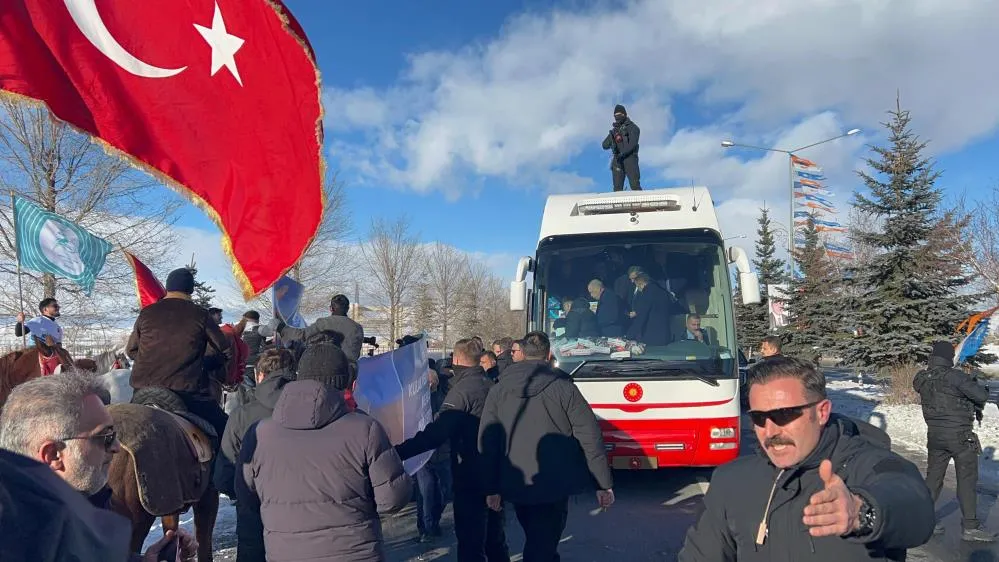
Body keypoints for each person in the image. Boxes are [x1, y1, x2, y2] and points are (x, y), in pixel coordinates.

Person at [678, 356, 935, 561]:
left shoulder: (867, 463)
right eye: (759, 418)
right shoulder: (732, 480)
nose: (770, 432)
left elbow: (915, 508)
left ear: (822, 412)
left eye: (784, 415)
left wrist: (862, 512)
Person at [0, 372, 199, 561]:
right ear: (53, 455)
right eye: (105, 437)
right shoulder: (13, 545)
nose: (117, 447)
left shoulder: (75, 504)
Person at [239, 374, 411, 561]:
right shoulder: (364, 429)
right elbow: (392, 498)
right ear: (348, 385)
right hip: (354, 552)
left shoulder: (259, 434)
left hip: (286, 553)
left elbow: (245, 495)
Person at [479, 332, 614, 562]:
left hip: (515, 479)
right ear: (550, 354)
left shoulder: (499, 389)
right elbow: (589, 436)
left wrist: (491, 487)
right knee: (542, 543)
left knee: (537, 539)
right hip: (554, 482)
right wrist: (602, 483)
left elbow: (488, 441)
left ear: (520, 354)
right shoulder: (564, 388)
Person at [396, 339, 509, 562]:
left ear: (456, 359)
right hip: (496, 472)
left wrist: (397, 452)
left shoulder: (462, 391)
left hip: (470, 473)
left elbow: (436, 433)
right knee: (495, 539)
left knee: (470, 541)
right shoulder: (492, 386)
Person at [126, 267, 233, 441]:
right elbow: (224, 348)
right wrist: (209, 363)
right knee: (227, 432)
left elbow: (131, 351)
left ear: (168, 287)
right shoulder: (200, 314)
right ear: (190, 290)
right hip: (187, 394)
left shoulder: (147, 313)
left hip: (142, 391)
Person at [215, 348, 295, 562]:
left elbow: (223, 475)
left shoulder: (241, 415)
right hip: (303, 521)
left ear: (260, 376)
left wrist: (243, 495)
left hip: (254, 517)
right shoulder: (312, 410)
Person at [913, 341, 995, 541]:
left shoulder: (921, 378)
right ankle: (970, 527)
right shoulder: (956, 377)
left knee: (933, 478)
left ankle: (923, 520)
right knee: (966, 480)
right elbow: (981, 396)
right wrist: (974, 381)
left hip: (935, 436)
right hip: (960, 437)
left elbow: (937, 388)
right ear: (950, 357)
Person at [413, 363, 453, 543]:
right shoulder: (417, 402)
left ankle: (433, 520)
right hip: (423, 455)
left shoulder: (445, 398)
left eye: (431, 381)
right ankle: (426, 528)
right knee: (425, 493)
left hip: (442, 452)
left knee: (445, 491)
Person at [276, 294, 364, 365]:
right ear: (348, 309)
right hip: (349, 373)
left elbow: (302, 335)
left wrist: (282, 328)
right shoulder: (357, 328)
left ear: (331, 308)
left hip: (326, 369)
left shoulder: (323, 323)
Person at [601, 104, 641, 191]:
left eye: (619, 115)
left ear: (624, 114)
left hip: (630, 158)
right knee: (617, 189)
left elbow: (633, 144)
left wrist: (623, 153)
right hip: (617, 160)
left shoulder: (633, 128)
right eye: (615, 115)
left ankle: (640, 203)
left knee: (635, 185)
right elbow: (604, 145)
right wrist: (612, 137)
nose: (617, 117)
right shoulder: (615, 131)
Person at [626, 273, 671, 346]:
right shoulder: (663, 292)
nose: (639, 290)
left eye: (638, 286)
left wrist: (629, 335)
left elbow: (641, 317)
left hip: (652, 336)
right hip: (665, 335)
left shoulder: (646, 294)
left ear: (642, 284)